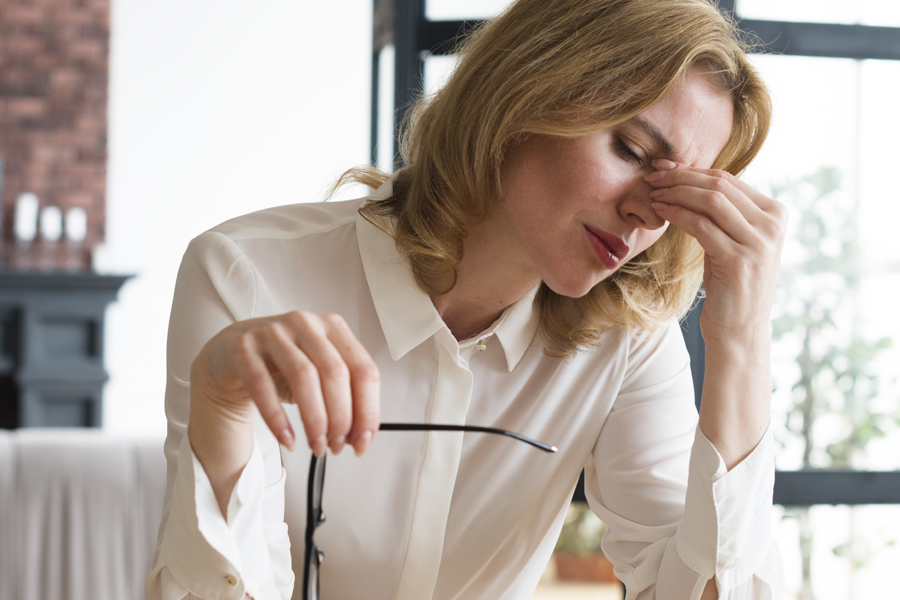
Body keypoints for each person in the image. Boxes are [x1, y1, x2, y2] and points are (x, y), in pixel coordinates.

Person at [147, 0, 786, 598]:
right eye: (632, 150)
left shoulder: (628, 341)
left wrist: (742, 336)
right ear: (525, 95)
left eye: (682, 195)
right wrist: (222, 408)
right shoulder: (248, 273)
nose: (646, 214)